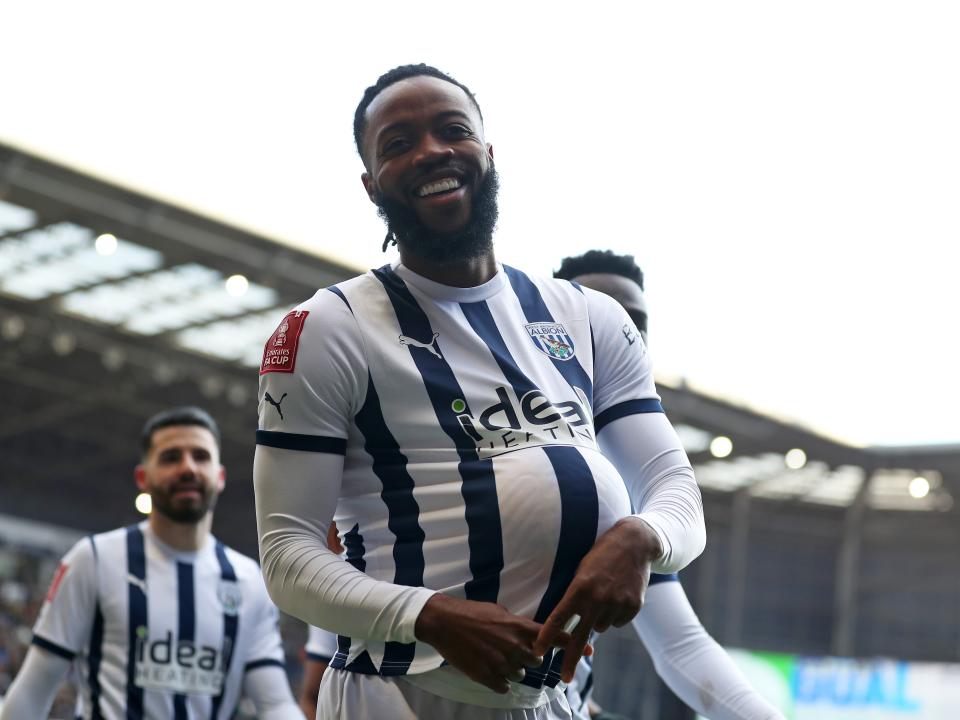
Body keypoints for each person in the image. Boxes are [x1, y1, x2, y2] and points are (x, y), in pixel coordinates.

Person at [253, 64, 706, 720]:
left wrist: (642, 538)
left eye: (452, 130)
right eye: (398, 143)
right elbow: (287, 559)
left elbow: (678, 494)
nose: (431, 150)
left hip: (547, 702)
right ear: (370, 184)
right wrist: (428, 616)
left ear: (487, 153)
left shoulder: (588, 319)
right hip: (398, 697)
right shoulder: (326, 329)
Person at [556, 251, 785, 720]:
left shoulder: (631, 476)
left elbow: (679, 644)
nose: (618, 328)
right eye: (593, 308)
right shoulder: (483, 422)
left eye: (634, 321)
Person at [0, 406, 304, 719]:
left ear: (220, 476)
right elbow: (33, 690)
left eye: (200, 456)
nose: (188, 468)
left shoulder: (249, 580)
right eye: (171, 457)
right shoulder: (93, 559)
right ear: (143, 477)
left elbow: (276, 705)